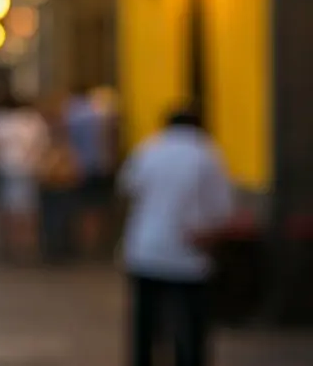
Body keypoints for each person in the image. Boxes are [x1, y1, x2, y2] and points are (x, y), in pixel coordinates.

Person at [121, 108, 234, 366]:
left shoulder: (148, 150)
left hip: (145, 248)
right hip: (189, 251)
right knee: (192, 324)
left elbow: (128, 189)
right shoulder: (207, 155)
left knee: (145, 322)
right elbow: (221, 208)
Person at [0, 89, 50, 263]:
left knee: (7, 209)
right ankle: (27, 246)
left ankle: (10, 245)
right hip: (27, 169)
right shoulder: (32, 119)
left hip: (3, 169)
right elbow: (43, 143)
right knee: (28, 210)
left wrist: (1, 148)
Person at [66, 86, 116, 258]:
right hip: (100, 165)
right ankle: (97, 243)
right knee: (98, 206)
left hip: (79, 165)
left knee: (82, 207)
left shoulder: (73, 114)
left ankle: (85, 243)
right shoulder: (100, 114)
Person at [34, 94, 80, 265]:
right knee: (55, 218)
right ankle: (55, 248)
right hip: (54, 183)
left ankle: (58, 248)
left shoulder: (60, 141)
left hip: (58, 183)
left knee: (58, 218)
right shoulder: (49, 139)